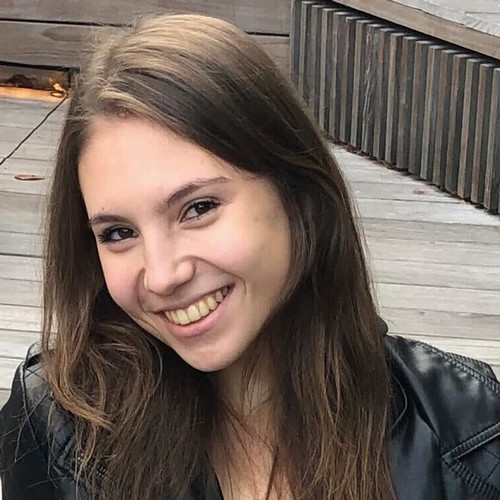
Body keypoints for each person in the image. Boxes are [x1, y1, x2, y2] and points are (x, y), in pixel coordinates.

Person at [1, 13, 499, 500]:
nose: (161, 275)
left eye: (198, 208)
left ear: (298, 195)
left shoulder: (467, 431)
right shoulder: (57, 421)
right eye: (118, 232)